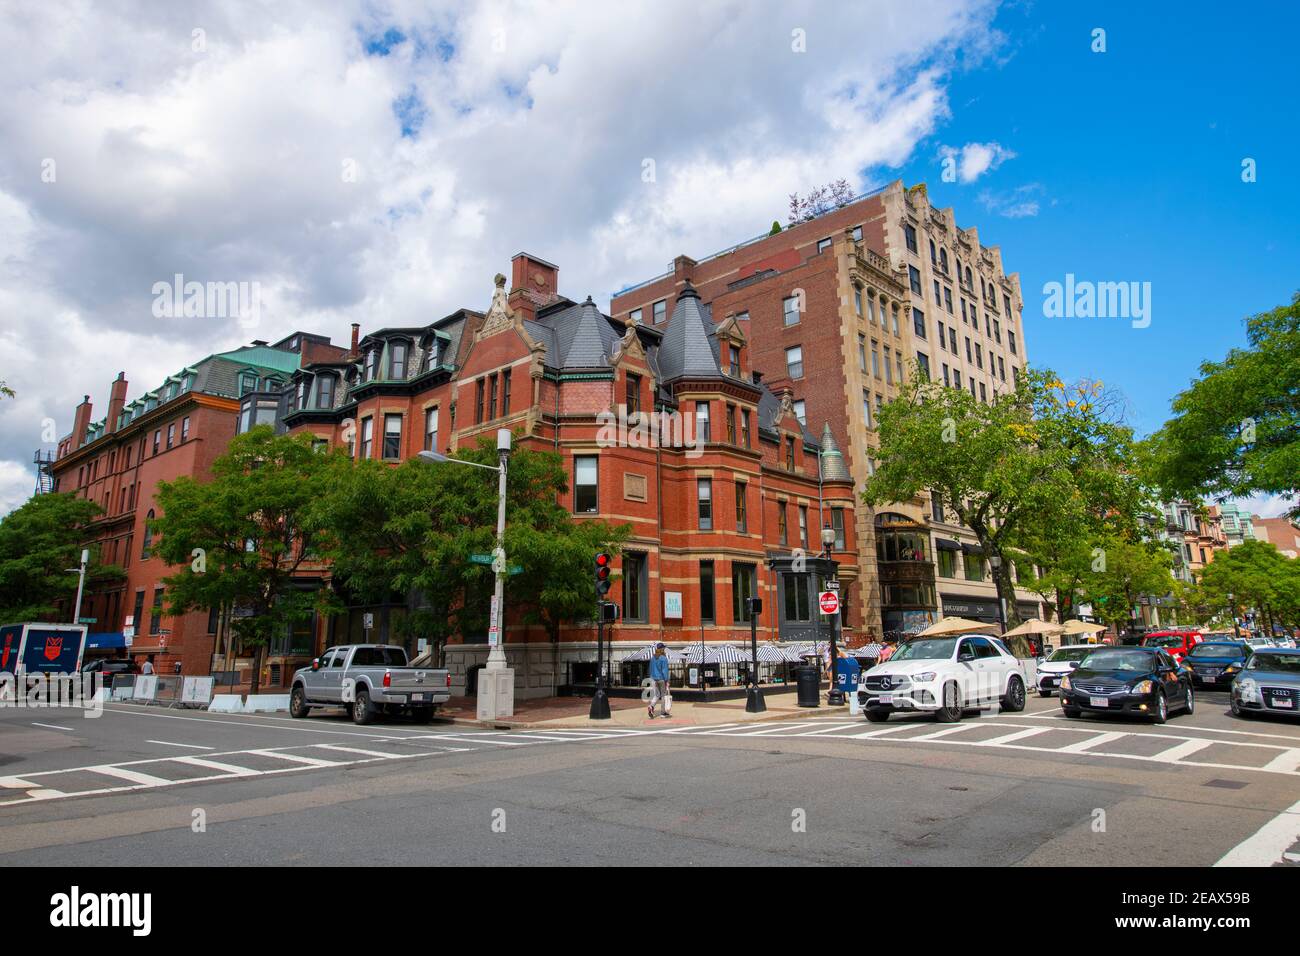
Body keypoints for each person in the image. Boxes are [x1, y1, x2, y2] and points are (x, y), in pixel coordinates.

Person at [647, 643, 671, 719]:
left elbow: (650, 669)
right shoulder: (663, 658)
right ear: (662, 649)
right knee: (663, 696)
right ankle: (662, 713)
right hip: (661, 679)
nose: (664, 649)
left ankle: (651, 706)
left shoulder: (652, 658)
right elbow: (665, 670)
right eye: (663, 648)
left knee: (656, 695)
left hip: (653, 679)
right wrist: (667, 680)